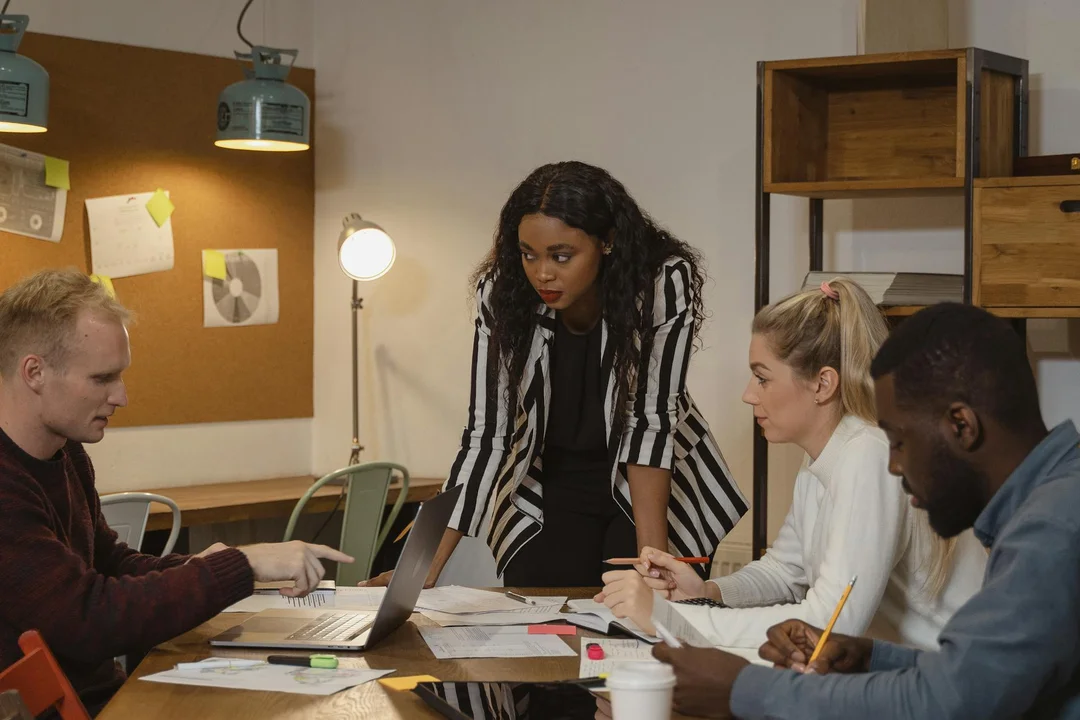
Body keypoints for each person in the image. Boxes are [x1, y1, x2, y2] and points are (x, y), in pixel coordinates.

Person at [651, 302, 1080, 720]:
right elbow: (975, 676)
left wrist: (745, 689)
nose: (893, 466)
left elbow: (954, 700)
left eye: (899, 442)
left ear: (961, 426)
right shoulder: (1050, 504)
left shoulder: (1053, 529)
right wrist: (870, 657)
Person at [365, 160, 747, 588]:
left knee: (640, 609)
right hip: (550, 482)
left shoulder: (659, 283)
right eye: (528, 254)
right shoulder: (504, 293)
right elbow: (487, 434)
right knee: (537, 607)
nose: (542, 273)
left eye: (561, 256)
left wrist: (654, 564)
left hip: (648, 483)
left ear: (607, 242)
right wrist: (421, 569)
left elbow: (650, 422)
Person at [0, 269, 353, 715]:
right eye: (102, 378)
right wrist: (240, 565)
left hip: (105, 697)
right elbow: (89, 618)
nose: (121, 396)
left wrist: (207, 566)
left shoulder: (65, 451)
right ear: (34, 372)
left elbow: (112, 565)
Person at [598, 279, 985, 650]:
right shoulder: (828, 451)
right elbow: (784, 572)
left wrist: (674, 619)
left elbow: (830, 624)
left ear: (823, 384)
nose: (749, 395)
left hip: (944, 678)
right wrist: (707, 593)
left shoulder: (868, 455)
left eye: (762, 378)